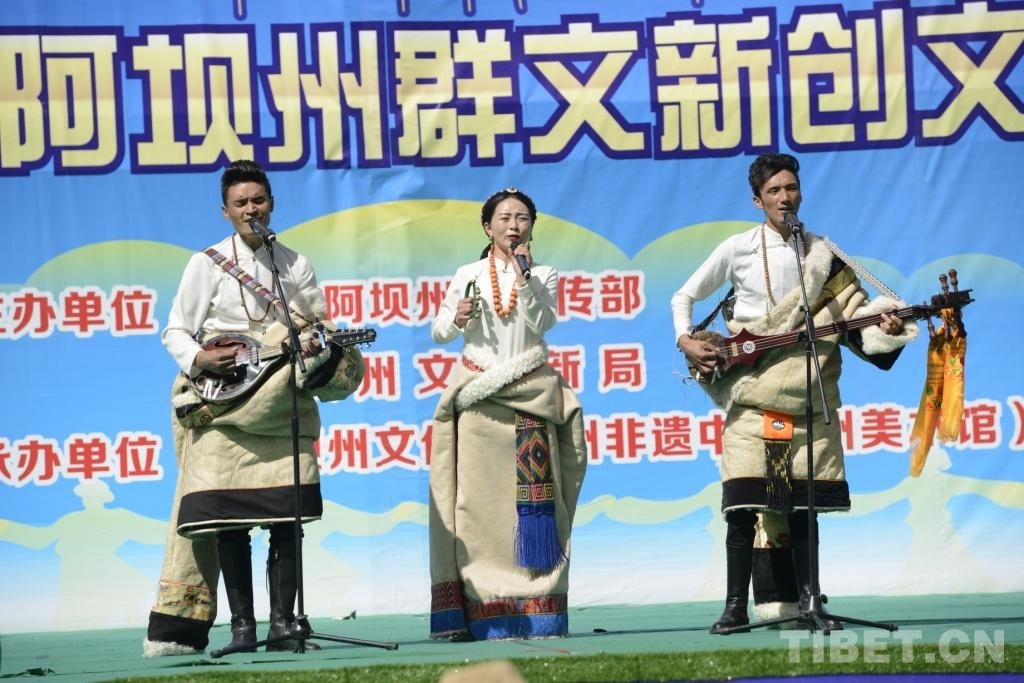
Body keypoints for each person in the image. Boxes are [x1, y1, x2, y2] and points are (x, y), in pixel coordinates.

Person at [671, 153, 918, 634]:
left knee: (804, 507)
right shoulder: (738, 248)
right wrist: (685, 338)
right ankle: (734, 607)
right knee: (744, 506)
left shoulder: (824, 253)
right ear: (757, 200)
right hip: (754, 394)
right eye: (774, 191)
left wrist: (886, 327)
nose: (785, 198)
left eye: (791, 188)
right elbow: (684, 296)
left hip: (808, 393)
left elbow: (853, 321)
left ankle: (809, 600)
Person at [144, 160, 365, 655]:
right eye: (240, 203)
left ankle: (283, 624)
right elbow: (176, 330)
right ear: (225, 211)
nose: (251, 209)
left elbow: (317, 322)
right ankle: (242, 629)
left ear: (272, 204)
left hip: (280, 402)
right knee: (230, 521)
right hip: (224, 407)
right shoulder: (206, 263)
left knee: (286, 521)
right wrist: (200, 358)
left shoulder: (295, 264)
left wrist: (315, 343)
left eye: (258, 200)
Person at [427, 187, 588, 641]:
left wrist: (524, 276)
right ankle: (483, 606)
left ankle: (537, 605)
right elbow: (438, 332)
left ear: (532, 227)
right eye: (504, 218)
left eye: (522, 218)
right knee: (478, 509)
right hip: (480, 400)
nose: (514, 225)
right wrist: (456, 318)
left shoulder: (543, 273)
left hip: (530, 397)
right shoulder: (468, 274)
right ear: (487, 226)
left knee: (534, 509)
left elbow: (543, 323)